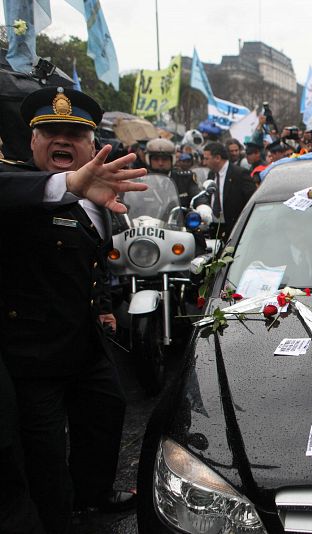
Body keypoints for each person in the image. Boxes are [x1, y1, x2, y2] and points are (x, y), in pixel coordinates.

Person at [0, 86, 147, 533]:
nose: (61, 141)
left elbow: (89, 265)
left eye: (74, 134)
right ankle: (56, 518)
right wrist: (66, 184)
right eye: (50, 132)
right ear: (31, 141)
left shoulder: (101, 196)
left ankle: (94, 492)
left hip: (84, 343)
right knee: (43, 453)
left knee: (108, 412)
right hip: (33, 356)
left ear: (91, 144)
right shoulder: (20, 187)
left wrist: (102, 305)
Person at [202, 141, 257, 238]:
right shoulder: (211, 174)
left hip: (235, 230)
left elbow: (252, 201)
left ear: (217, 158)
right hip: (215, 229)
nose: (204, 162)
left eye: (207, 159)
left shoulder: (240, 174)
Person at [145, 138, 200, 209]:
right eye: (156, 159)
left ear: (172, 160)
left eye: (165, 159)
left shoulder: (185, 178)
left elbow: (197, 196)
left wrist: (202, 206)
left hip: (179, 219)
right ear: (148, 160)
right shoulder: (142, 180)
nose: (160, 163)